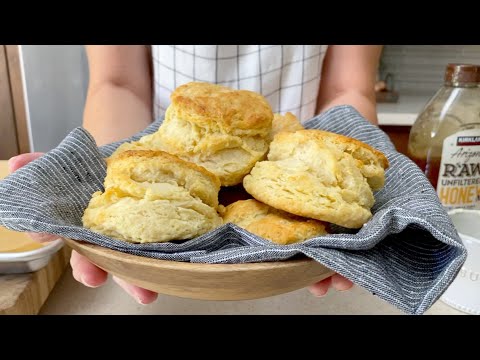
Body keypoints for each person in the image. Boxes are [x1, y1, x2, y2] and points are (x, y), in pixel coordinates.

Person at [8, 45, 383, 305]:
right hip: (166, 155)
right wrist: (105, 169)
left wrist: (334, 199)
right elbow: (118, 83)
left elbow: (348, 87)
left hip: (290, 145)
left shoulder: (274, 161)